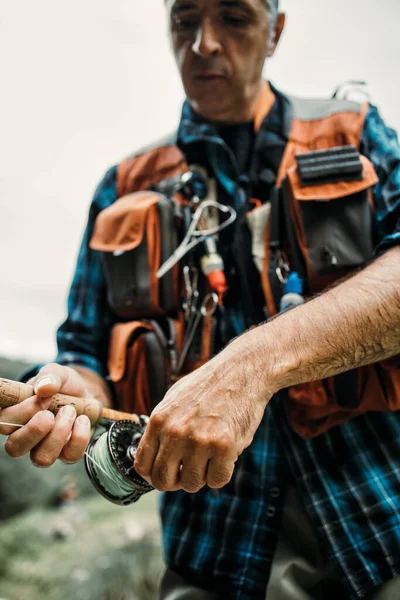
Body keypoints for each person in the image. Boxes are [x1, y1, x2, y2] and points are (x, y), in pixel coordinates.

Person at [1, 0, 400, 598]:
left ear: (276, 31)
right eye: (185, 20)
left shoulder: (357, 132)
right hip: (211, 563)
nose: (204, 43)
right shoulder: (121, 188)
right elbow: (84, 351)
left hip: (380, 538)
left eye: (233, 19)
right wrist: (70, 393)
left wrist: (250, 367)